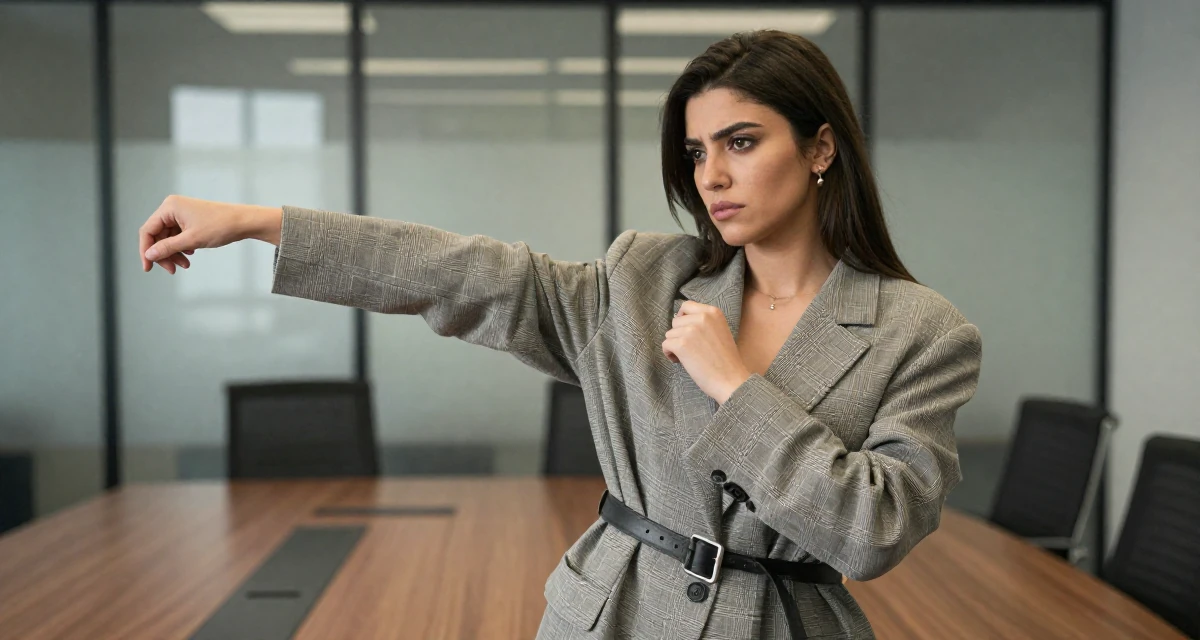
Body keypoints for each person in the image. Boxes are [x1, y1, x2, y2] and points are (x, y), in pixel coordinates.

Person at [139, 30, 982, 640]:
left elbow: (874, 532)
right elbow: (459, 274)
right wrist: (260, 223)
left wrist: (736, 387)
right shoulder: (642, 281)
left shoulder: (922, 331)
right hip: (611, 614)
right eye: (695, 152)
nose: (711, 176)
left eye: (742, 141)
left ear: (820, 146)